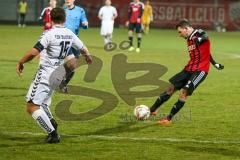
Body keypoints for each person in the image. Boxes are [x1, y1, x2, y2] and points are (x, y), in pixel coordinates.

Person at [16, 7, 92, 143]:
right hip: (58, 74)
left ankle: (52, 134)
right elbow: (83, 48)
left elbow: (34, 52)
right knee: (43, 103)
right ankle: (52, 123)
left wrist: (21, 61)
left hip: (45, 73)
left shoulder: (48, 34)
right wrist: (88, 57)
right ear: (64, 19)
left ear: (51, 18)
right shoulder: (69, 33)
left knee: (32, 106)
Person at [149, 19, 224, 125]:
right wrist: (215, 63)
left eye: (180, 32)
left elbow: (205, 36)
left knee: (184, 92)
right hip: (188, 69)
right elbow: (206, 52)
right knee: (170, 88)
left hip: (200, 71)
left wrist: (199, 39)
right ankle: (153, 110)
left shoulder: (198, 32)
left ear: (186, 28)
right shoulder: (188, 39)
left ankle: (168, 118)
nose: (179, 35)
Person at [60, 0, 89, 92]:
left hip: (75, 40)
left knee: (72, 67)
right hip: (64, 39)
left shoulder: (80, 10)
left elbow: (84, 23)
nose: (67, 0)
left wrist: (85, 24)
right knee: (71, 63)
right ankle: (61, 83)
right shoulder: (62, 10)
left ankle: (62, 83)